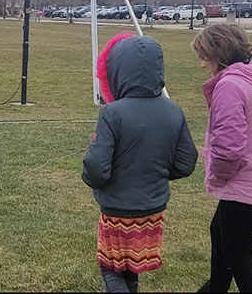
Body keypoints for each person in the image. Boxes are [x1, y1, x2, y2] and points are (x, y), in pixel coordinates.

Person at [82, 32, 198, 292]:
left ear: (117, 70)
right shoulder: (173, 110)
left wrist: (93, 180)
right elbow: (186, 162)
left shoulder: (112, 113)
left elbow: (96, 167)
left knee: (111, 268)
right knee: (131, 267)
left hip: (117, 208)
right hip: (153, 207)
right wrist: (154, 173)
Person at [191, 24, 252, 293]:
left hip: (245, 180)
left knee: (239, 256)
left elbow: (229, 147)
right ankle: (215, 287)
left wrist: (219, 175)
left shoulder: (231, 86)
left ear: (218, 55)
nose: (202, 64)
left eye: (205, 56)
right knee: (220, 236)